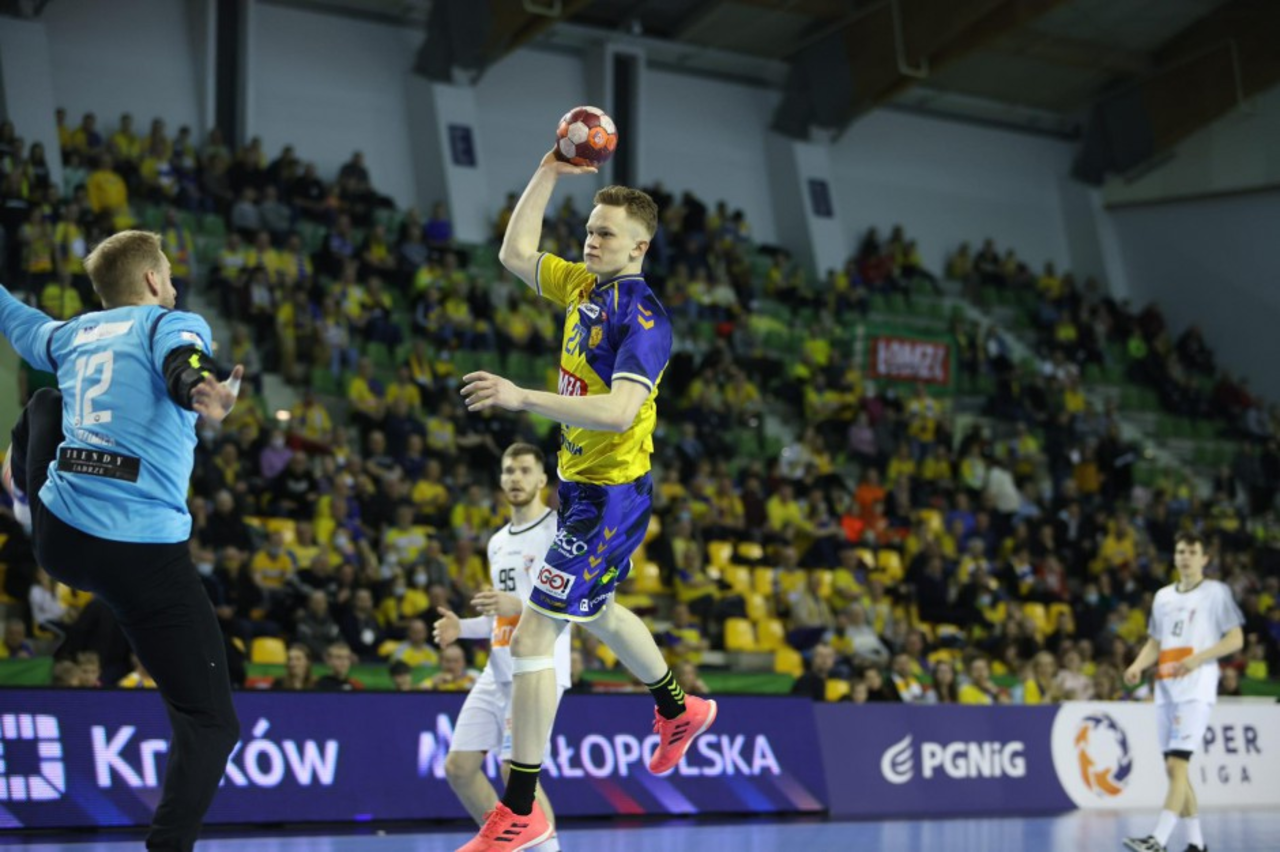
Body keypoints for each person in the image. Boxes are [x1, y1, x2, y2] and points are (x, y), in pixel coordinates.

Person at [453, 150, 716, 851]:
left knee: (535, 637)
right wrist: (547, 171)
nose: (591, 240)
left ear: (639, 247)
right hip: (579, 487)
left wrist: (521, 398)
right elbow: (515, 253)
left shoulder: (645, 319)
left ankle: (520, 810)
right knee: (596, 611)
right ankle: (679, 709)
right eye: (590, 229)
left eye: (605, 233)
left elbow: (620, 412)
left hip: (609, 497)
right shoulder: (582, 287)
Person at [0, 229, 244, 852]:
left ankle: (19, 489)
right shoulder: (168, 322)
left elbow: (15, 317)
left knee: (46, 401)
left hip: (60, 536)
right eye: (170, 275)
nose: (175, 286)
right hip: (142, 556)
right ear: (152, 280)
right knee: (210, 723)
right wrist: (201, 388)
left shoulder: (70, 334)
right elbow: (184, 360)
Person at [434, 442, 568, 851]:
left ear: (542, 479)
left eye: (525, 470)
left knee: (515, 770)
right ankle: (507, 844)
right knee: (460, 768)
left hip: (538, 668)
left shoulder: (558, 532)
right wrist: (462, 627)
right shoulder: (496, 542)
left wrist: (520, 605)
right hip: (496, 671)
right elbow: (502, 616)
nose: (515, 478)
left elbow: (576, 606)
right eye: (509, 470)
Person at [1123, 531, 1245, 852]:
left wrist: (1198, 659)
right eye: (1180, 552)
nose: (1185, 557)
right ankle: (1196, 844)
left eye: (1192, 552)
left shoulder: (1216, 592)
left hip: (1196, 689)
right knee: (1175, 770)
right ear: (1174, 557)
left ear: (1205, 558)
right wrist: (1137, 665)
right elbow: (1155, 642)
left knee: (1177, 766)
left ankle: (1158, 840)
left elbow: (1235, 639)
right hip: (1166, 689)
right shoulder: (1163, 597)